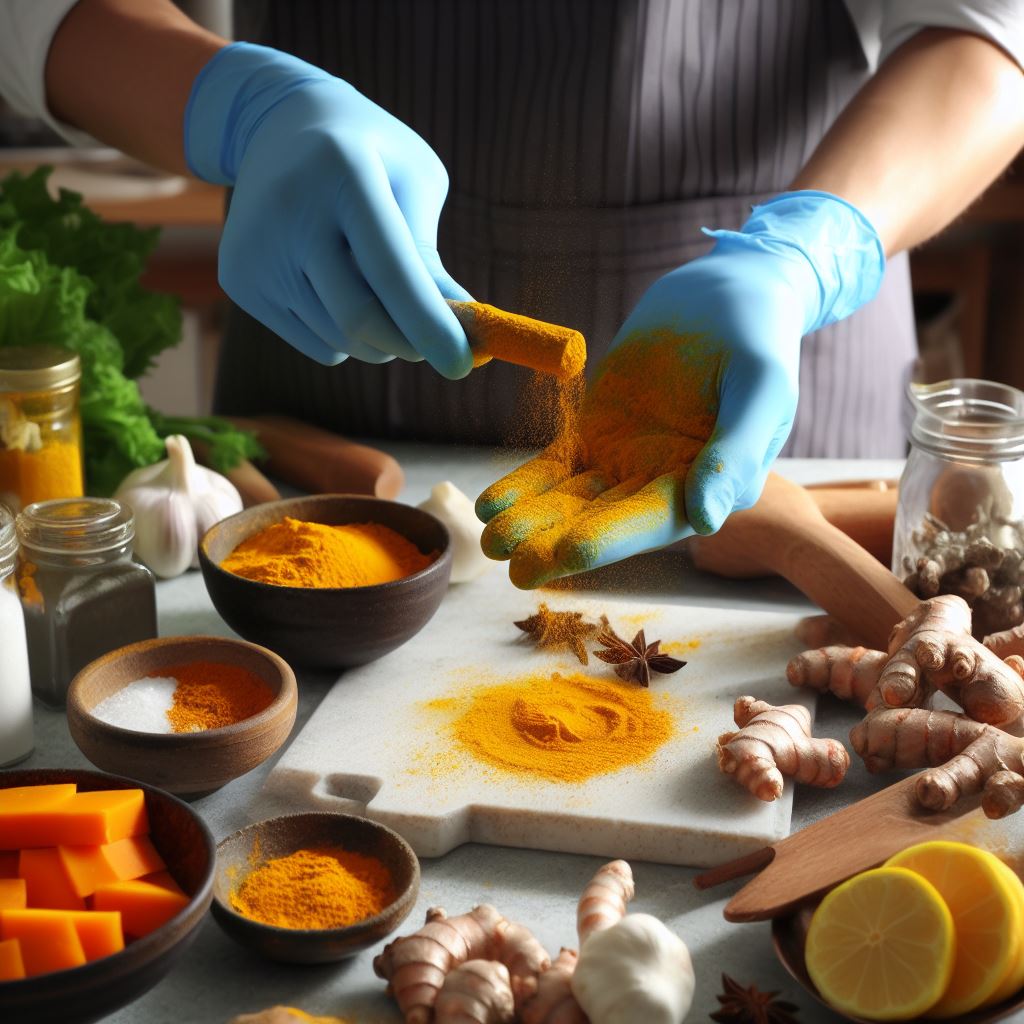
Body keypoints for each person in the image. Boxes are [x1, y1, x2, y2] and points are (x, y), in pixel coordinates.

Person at [0, 0, 1022, 586]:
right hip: (333, 365)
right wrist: (237, 110)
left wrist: (803, 254)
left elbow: (988, 28)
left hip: (755, 358)